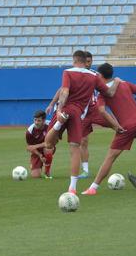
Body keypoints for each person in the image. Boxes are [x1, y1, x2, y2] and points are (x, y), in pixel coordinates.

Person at [43, 50, 120, 194]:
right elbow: (109, 93)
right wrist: (116, 81)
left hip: (65, 110)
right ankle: (72, 188)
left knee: (48, 144)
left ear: (74, 60)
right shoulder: (94, 76)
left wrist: (59, 110)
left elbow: (64, 91)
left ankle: (59, 124)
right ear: (86, 62)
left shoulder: (68, 72)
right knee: (75, 149)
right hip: (78, 114)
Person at [83, 63, 136, 195]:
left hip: (127, 127)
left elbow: (101, 111)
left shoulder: (103, 92)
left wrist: (115, 125)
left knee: (110, 157)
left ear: (100, 76)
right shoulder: (124, 83)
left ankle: (93, 188)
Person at [25, 110, 54, 178]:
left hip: (48, 147)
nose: (36, 122)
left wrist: (35, 146)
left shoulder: (51, 125)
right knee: (36, 176)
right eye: (35, 120)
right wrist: (40, 155)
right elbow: (29, 147)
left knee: (48, 148)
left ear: (44, 121)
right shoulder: (30, 131)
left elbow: (51, 142)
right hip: (37, 152)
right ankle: (37, 165)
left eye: (39, 120)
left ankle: (47, 171)